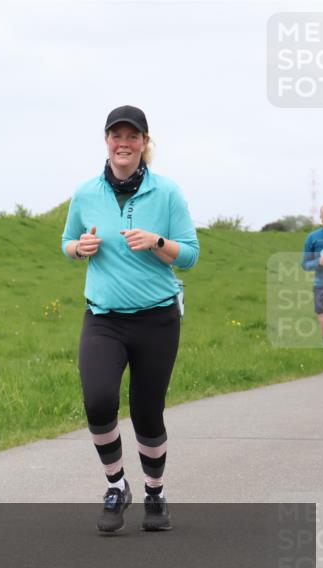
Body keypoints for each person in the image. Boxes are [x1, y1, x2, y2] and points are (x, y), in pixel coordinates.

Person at [61, 105, 199, 534]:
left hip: (157, 319)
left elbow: (190, 255)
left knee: (146, 411)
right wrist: (79, 248)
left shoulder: (167, 192)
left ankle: (155, 493)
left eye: (132, 136)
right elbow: (66, 242)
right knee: (99, 400)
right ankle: (117, 485)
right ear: (106, 141)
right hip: (104, 318)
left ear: (144, 143)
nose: (123, 143)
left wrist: (158, 242)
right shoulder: (86, 193)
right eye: (115, 135)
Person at [302, 203, 323, 375]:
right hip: (322, 285)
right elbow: (305, 265)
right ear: (321, 219)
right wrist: (317, 262)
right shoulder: (313, 238)